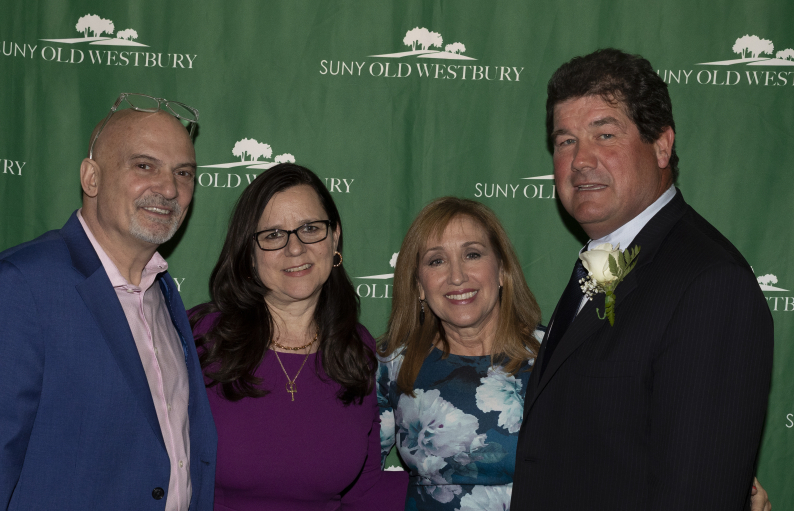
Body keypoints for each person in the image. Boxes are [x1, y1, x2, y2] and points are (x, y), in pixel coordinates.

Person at [511, 49, 774, 510]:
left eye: (605, 134)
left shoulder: (709, 284)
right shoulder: (605, 260)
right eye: (565, 140)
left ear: (661, 145)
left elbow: (697, 494)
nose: (580, 160)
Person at [0, 93, 216, 510]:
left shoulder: (164, 295)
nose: (169, 188)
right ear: (92, 178)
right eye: (144, 166)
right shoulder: (21, 286)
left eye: (184, 173)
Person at [189, 163, 407, 510]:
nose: (295, 248)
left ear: (334, 236)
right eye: (274, 234)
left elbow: (363, 491)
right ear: (249, 251)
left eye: (310, 228)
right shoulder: (201, 339)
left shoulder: (355, 349)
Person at [377, 197, 543, 511]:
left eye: (472, 254)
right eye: (436, 261)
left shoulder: (555, 356)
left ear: (502, 270)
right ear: (419, 285)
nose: (457, 276)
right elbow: (358, 478)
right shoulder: (391, 364)